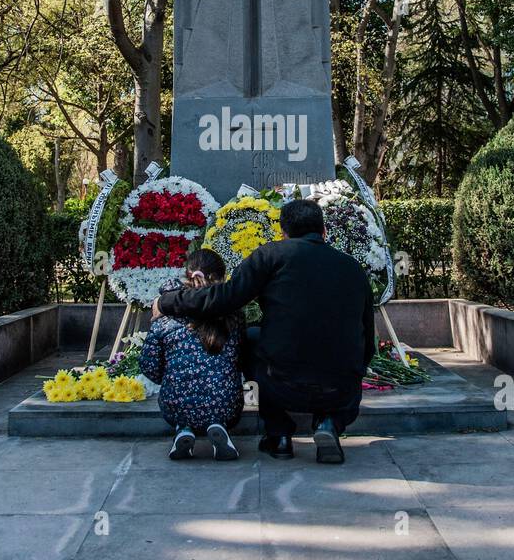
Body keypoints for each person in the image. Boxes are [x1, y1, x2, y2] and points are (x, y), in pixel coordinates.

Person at [152, 199, 374, 464]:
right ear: (324, 232)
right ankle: (330, 423)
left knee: (251, 337)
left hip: (283, 383)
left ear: (283, 233)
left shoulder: (272, 255)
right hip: (340, 390)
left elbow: (225, 298)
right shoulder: (354, 269)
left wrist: (168, 302)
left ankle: (279, 435)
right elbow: (368, 341)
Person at [139, 249, 245, 461]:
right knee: (219, 395)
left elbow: (148, 364)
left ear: (186, 274)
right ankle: (218, 425)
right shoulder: (233, 315)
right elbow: (241, 357)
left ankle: (183, 430)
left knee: (181, 403)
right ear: (222, 277)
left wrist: (170, 375)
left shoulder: (165, 316)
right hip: (226, 402)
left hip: (175, 401)